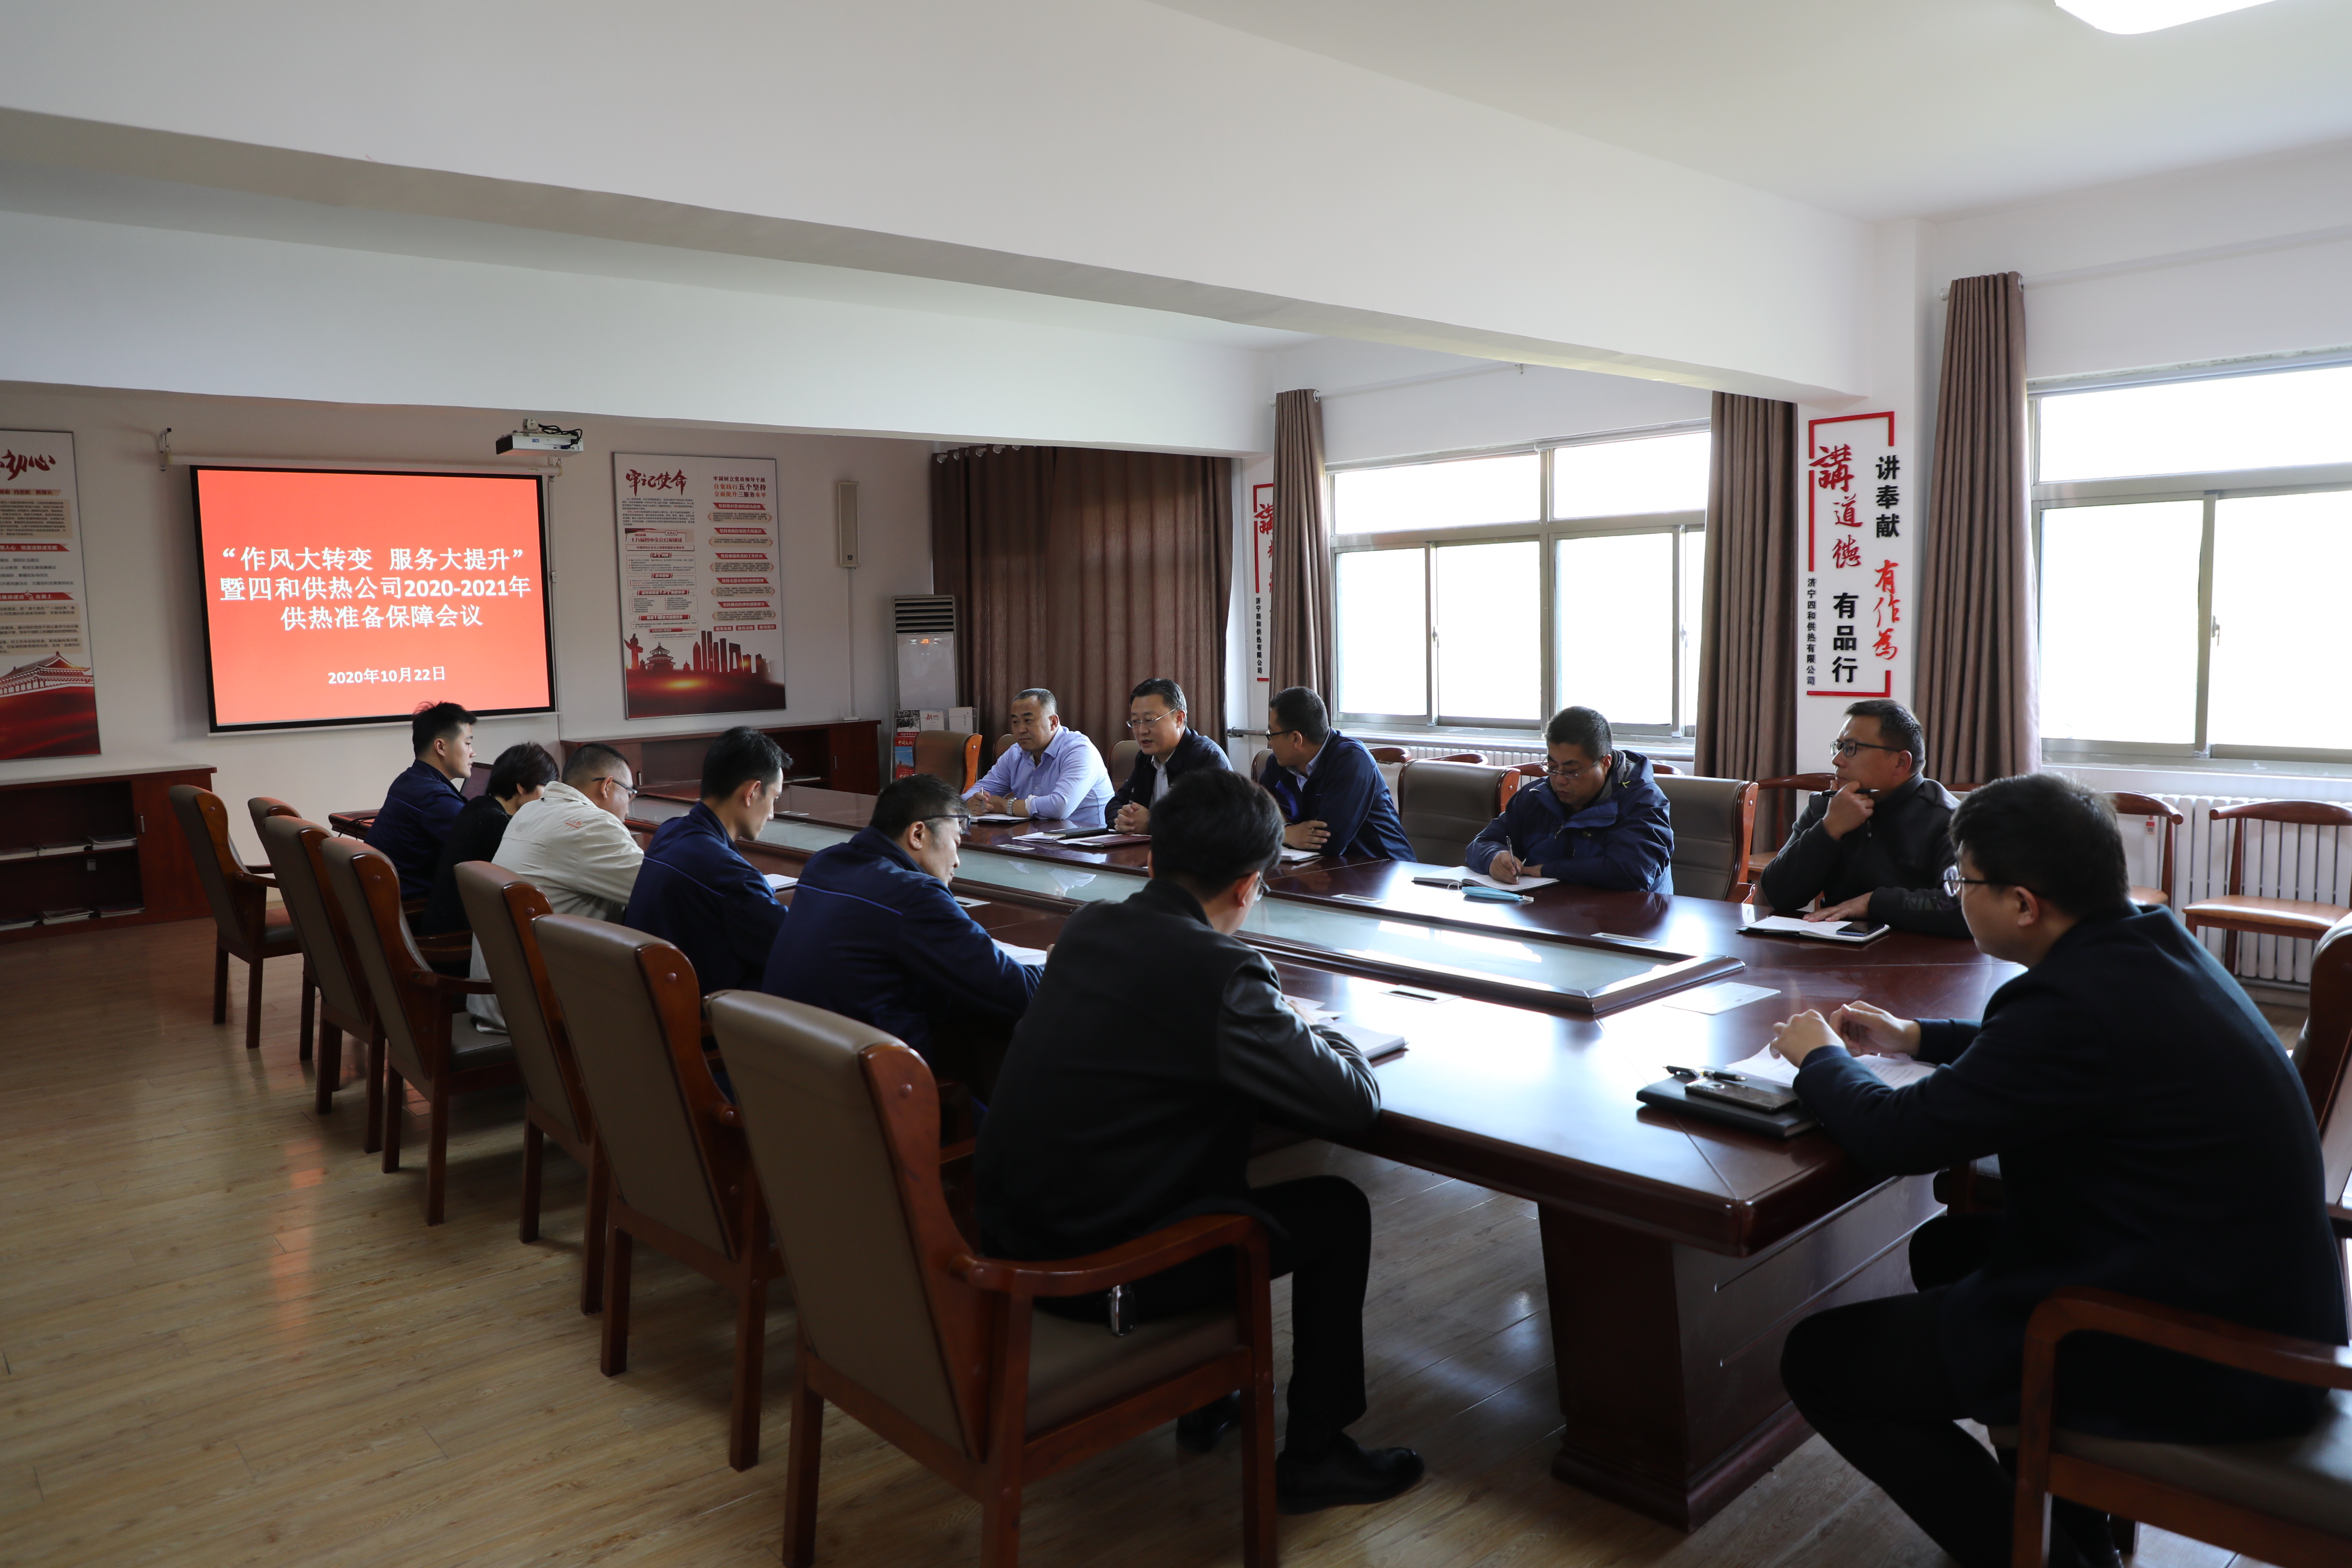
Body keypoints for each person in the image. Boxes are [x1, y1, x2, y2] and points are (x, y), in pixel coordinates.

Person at [1769, 773, 2347, 1568]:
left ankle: (2045, 1562)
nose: (1957, 896)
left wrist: (1820, 1059)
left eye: (1964, 883)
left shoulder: (2073, 1006)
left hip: (2202, 1353)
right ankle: (2069, 1534)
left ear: (2022, 904)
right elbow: (2059, 1053)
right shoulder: (2147, 943)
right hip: (2249, 1297)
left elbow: (1897, 1138)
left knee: (1821, 1362)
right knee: (1947, 1248)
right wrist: (1916, 1038)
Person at [977, 768, 1422, 1513]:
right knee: (1339, 1211)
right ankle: (1316, 1456)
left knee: (1205, 1160)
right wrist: (1320, 1030)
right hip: (1101, 1273)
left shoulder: (1088, 927)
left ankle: (1208, 1397)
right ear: (1249, 888)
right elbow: (1353, 1104)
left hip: (1013, 1236)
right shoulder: (1223, 972)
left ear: (1153, 859)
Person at [761, 773, 1040, 1067]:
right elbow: (1016, 991)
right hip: (870, 1082)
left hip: (785, 1069)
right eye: (956, 842)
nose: (957, 860)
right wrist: (1060, 966)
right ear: (918, 834)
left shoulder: (825, 863)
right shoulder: (916, 895)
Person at [466, 742, 645, 1031]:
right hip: (538, 1010)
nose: (629, 803)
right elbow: (659, 891)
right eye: (630, 793)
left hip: (499, 995)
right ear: (607, 786)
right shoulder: (593, 825)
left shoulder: (529, 811)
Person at [1757, 697, 1966, 935]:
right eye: (1839, 747)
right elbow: (1778, 895)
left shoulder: (1948, 818)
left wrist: (1872, 903)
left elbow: (1962, 905)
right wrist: (1829, 829)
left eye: (1851, 748)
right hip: (1836, 947)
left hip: (1918, 952)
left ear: (1901, 762)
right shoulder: (1829, 807)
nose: (1837, 760)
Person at [623, 727, 789, 993]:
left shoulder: (669, 832)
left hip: (650, 999)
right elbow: (794, 949)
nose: (772, 814)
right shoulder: (734, 878)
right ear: (752, 792)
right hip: (709, 1012)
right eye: (774, 798)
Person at [1465, 705, 1672, 891]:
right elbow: (1481, 843)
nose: (1559, 780)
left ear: (1605, 763)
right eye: (1552, 768)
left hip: (1629, 916)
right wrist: (1494, 857)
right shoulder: (1536, 796)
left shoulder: (1644, 801)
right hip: (1549, 911)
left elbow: (1633, 872)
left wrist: (1548, 870)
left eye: (1571, 771)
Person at [417, 741, 558, 938]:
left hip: (440, 926)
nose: (548, 799)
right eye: (546, 789)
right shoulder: (499, 824)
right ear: (522, 786)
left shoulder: (478, 806)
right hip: (457, 939)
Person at [1255, 687, 1413, 861]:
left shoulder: (1352, 760)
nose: (1270, 743)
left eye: (1272, 734)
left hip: (1386, 867)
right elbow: (1255, 821)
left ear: (1296, 739)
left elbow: (1329, 842)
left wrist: (1278, 830)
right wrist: (1287, 832)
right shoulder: (1277, 765)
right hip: (1324, 867)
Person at [366, 701, 475, 899]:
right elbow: (482, 856)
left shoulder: (407, 781)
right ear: (440, 746)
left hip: (382, 898)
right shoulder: (437, 800)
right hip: (412, 909)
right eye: (467, 743)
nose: (473, 752)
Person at [964, 687, 1114, 827]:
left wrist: (1006, 806)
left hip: (1086, 842)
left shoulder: (1079, 751)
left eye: (1028, 721)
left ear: (1053, 722)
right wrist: (973, 801)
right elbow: (978, 790)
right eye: (1016, 722)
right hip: (1034, 838)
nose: (1021, 730)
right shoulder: (1015, 753)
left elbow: (1060, 806)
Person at [1107, 677, 1230, 833]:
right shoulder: (1146, 758)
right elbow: (1116, 804)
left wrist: (1152, 822)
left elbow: (1210, 822)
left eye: (1149, 720)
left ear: (1179, 718)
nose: (1142, 730)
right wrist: (1124, 821)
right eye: (1136, 721)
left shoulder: (1207, 758)